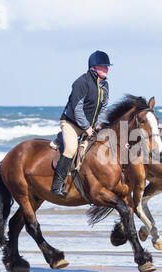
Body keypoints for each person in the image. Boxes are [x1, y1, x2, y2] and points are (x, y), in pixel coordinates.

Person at [51, 50, 111, 197]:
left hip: (89, 126)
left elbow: (103, 107)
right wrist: (87, 128)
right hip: (71, 123)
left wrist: (98, 124)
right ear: (93, 68)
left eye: (107, 67)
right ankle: (57, 185)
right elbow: (77, 109)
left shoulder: (105, 85)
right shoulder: (81, 82)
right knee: (71, 149)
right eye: (103, 67)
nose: (106, 69)